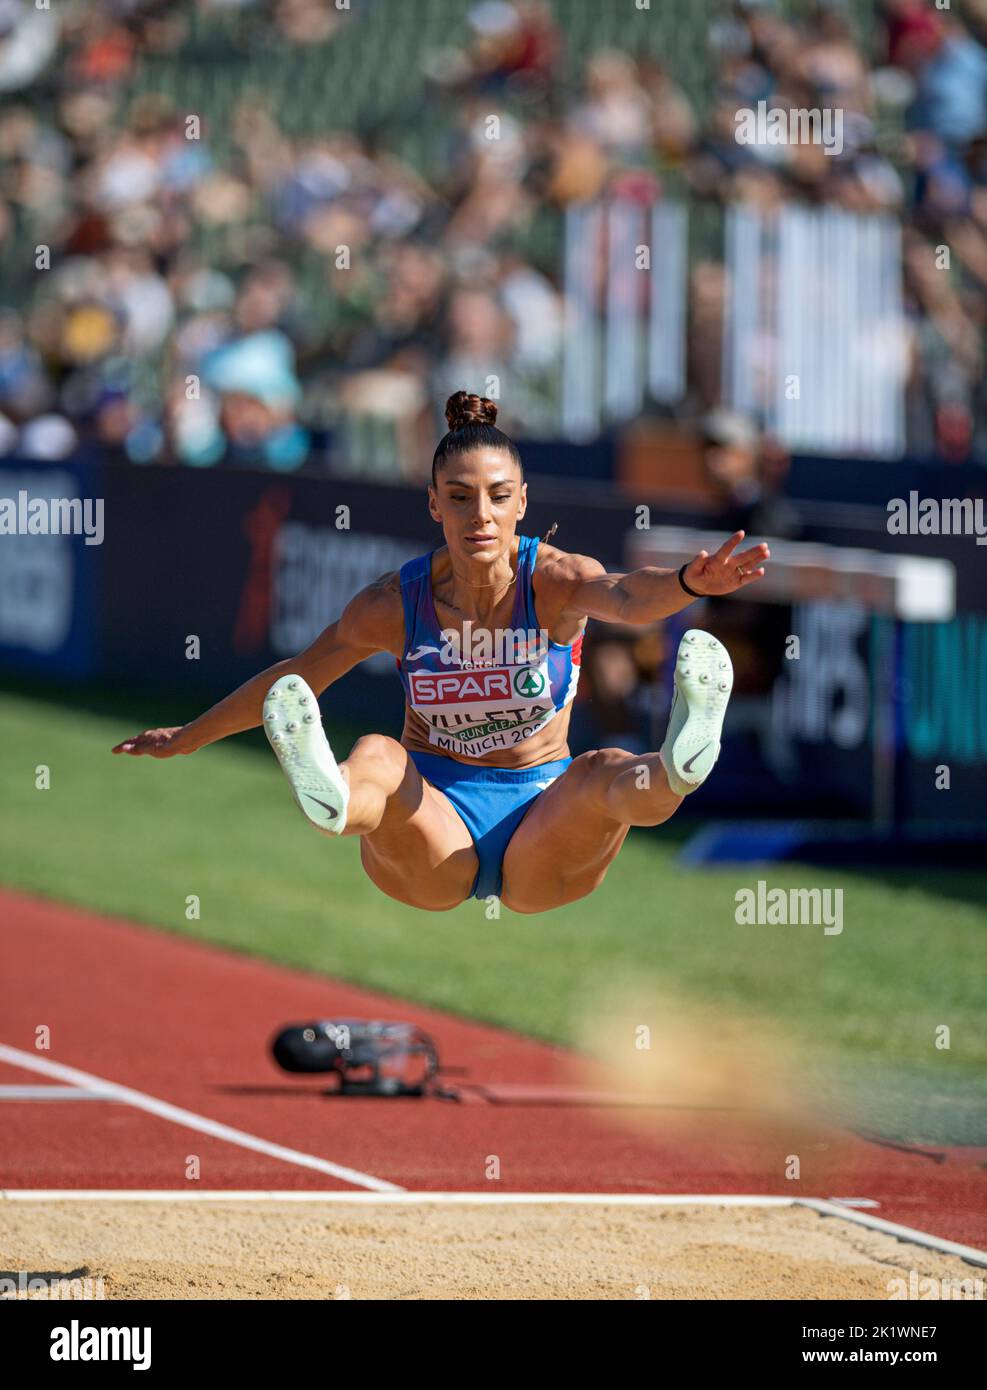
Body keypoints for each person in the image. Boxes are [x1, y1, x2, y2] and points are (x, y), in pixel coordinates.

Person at [113, 392, 770, 914]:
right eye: (458, 497)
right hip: (432, 821)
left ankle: (681, 762)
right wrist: (193, 736)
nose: (478, 515)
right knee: (378, 754)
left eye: (496, 497)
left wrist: (687, 582)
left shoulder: (556, 581)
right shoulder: (392, 605)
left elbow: (627, 596)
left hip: (543, 817)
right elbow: (295, 679)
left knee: (605, 771)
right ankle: (333, 797)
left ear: (521, 505)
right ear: (433, 503)